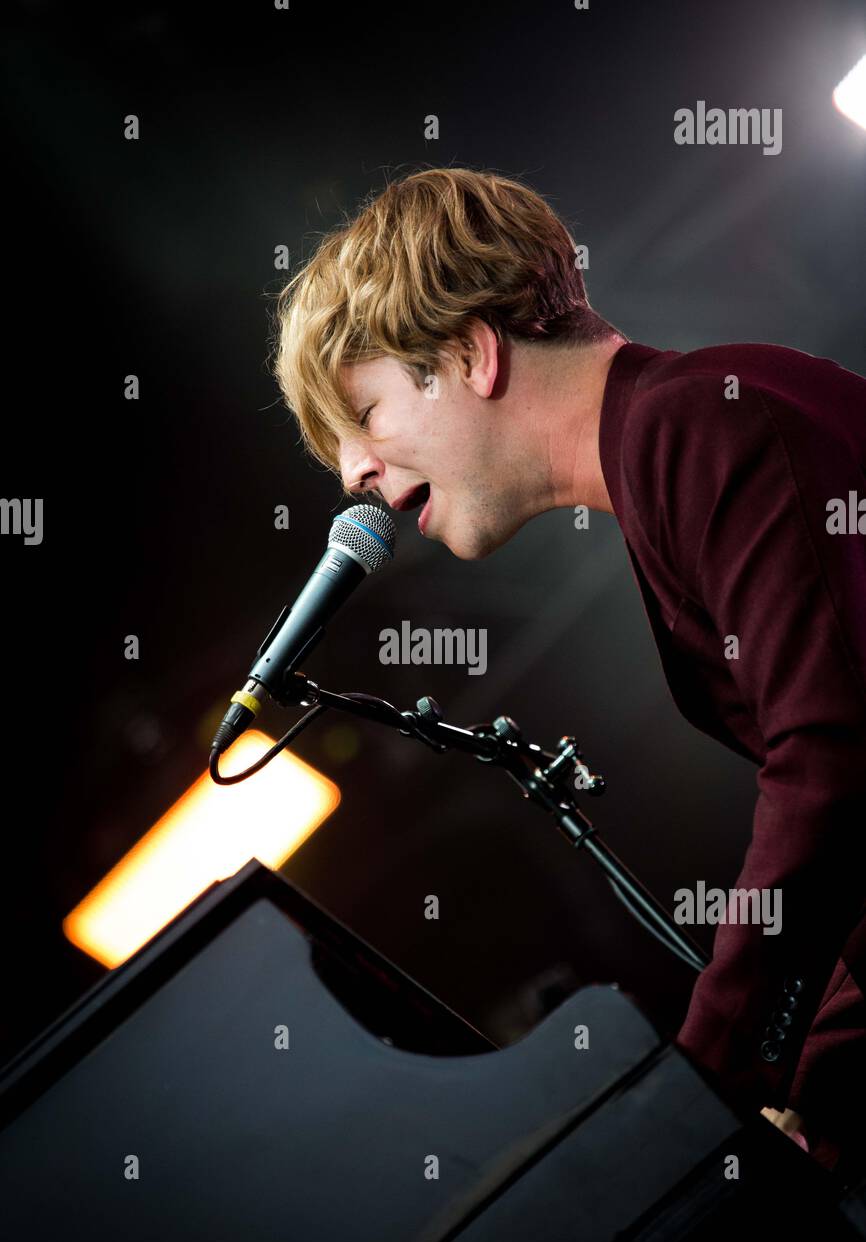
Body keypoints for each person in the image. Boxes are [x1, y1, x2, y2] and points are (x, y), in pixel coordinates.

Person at [272, 166, 866, 1182]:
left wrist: (700, 1087)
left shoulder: (692, 425)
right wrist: (814, 1099)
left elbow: (833, 765)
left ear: (467, 354)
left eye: (364, 413)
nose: (350, 475)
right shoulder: (674, 438)